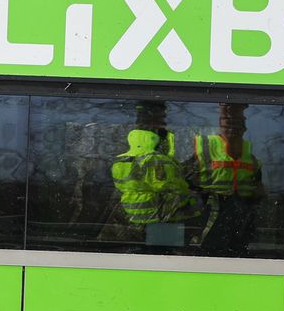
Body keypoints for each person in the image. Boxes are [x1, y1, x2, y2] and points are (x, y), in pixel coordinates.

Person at [112, 102, 200, 247]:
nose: (163, 121)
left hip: (137, 218)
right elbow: (171, 187)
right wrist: (192, 196)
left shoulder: (127, 154)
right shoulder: (152, 155)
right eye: (160, 116)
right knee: (162, 254)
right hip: (159, 219)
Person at [193, 103, 263, 256]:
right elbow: (188, 183)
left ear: (244, 129)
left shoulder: (252, 158)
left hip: (240, 220)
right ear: (220, 125)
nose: (232, 129)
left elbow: (259, 191)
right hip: (210, 217)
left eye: (237, 125)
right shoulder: (204, 148)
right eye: (228, 124)